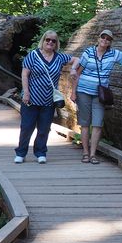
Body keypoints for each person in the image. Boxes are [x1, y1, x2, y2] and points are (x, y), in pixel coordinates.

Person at [70, 29, 122, 164]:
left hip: (100, 95)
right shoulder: (88, 52)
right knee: (84, 124)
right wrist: (73, 92)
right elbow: (78, 72)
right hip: (83, 92)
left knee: (98, 124)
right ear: (98, 38)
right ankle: (85, 153)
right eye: (103, 37)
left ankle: (93, 154)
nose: (105, 40)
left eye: (108, 39)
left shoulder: (113, 54)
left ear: (110, 42)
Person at [14, 30, 77, 164]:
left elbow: (77, 59)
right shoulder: (33, 55)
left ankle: (40, 153)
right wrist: (26, 92)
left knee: (44, 128)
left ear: (56, 43)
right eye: (48, 40)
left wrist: (73, 69)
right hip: (31, 99)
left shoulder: (59, 57)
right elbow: (24, 74)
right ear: (43, 41)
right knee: (26, 127)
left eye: (53, 41)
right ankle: (21, 153)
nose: (50, 42)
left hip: (49, 101)